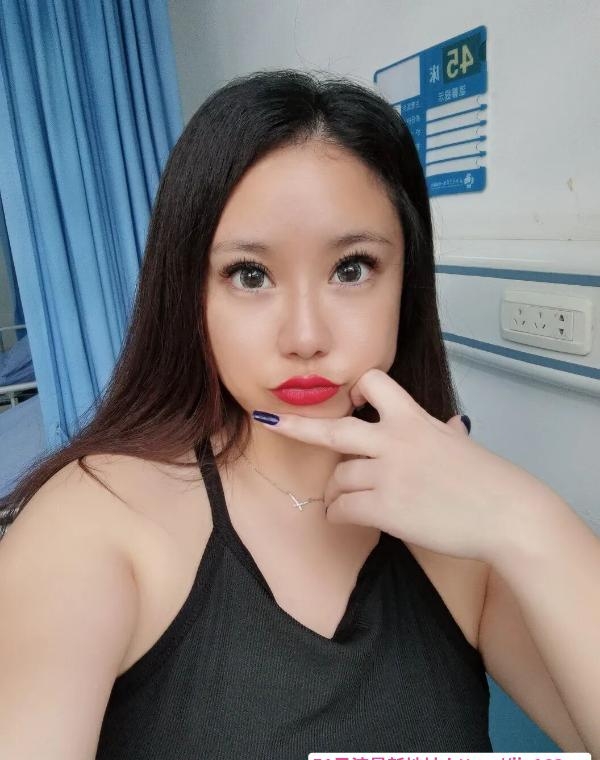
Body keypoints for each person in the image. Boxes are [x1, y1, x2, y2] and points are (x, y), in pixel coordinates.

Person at [0, 69, 597, 760]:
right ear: (191, 295)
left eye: (352, 268)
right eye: (250, 275)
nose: (306, 336)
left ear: (407, 283)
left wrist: (527, 520)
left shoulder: (463, 535)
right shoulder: (96, 520)